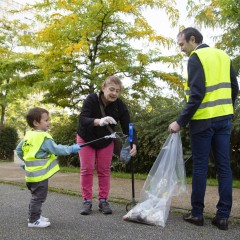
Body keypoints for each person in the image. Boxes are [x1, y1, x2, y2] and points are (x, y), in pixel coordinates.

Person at [168, 27, 239, 230]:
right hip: (224, 119)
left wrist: (179, 121)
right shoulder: (224, 56)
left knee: (201, 166)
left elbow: (196, 95)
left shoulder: (196, 57)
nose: (181, 49)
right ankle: (223, 217)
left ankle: (197, 214)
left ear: (192, 39)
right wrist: (226, 109)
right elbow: (235, 88)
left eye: (182, 44)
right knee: (224, 166)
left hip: (202, 121)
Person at [77, 75, 137, 215]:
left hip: (105, 140)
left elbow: (128, 126)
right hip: (87, 138)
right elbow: (83, 119)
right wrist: (99, 121)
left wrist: (133, 143)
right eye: (111, 89)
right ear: (103, 88)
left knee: (104, 170)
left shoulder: (120, 105)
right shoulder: (92, 99)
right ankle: (87, 201)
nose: (114, 93)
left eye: (117, 90)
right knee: (87, 169)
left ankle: (103, 200)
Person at [16, 107, 81, 228]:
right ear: (36, 122)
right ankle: (33, 220)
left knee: (35, 197)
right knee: (38, 198)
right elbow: (56, 149)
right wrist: (71, 148)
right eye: (46, 120)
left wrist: (27, 161)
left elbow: (20, 150)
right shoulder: (43, 137)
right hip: (40, 176)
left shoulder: (28, 135)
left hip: (30, 175)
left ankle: (34, 216)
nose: (49, 122)